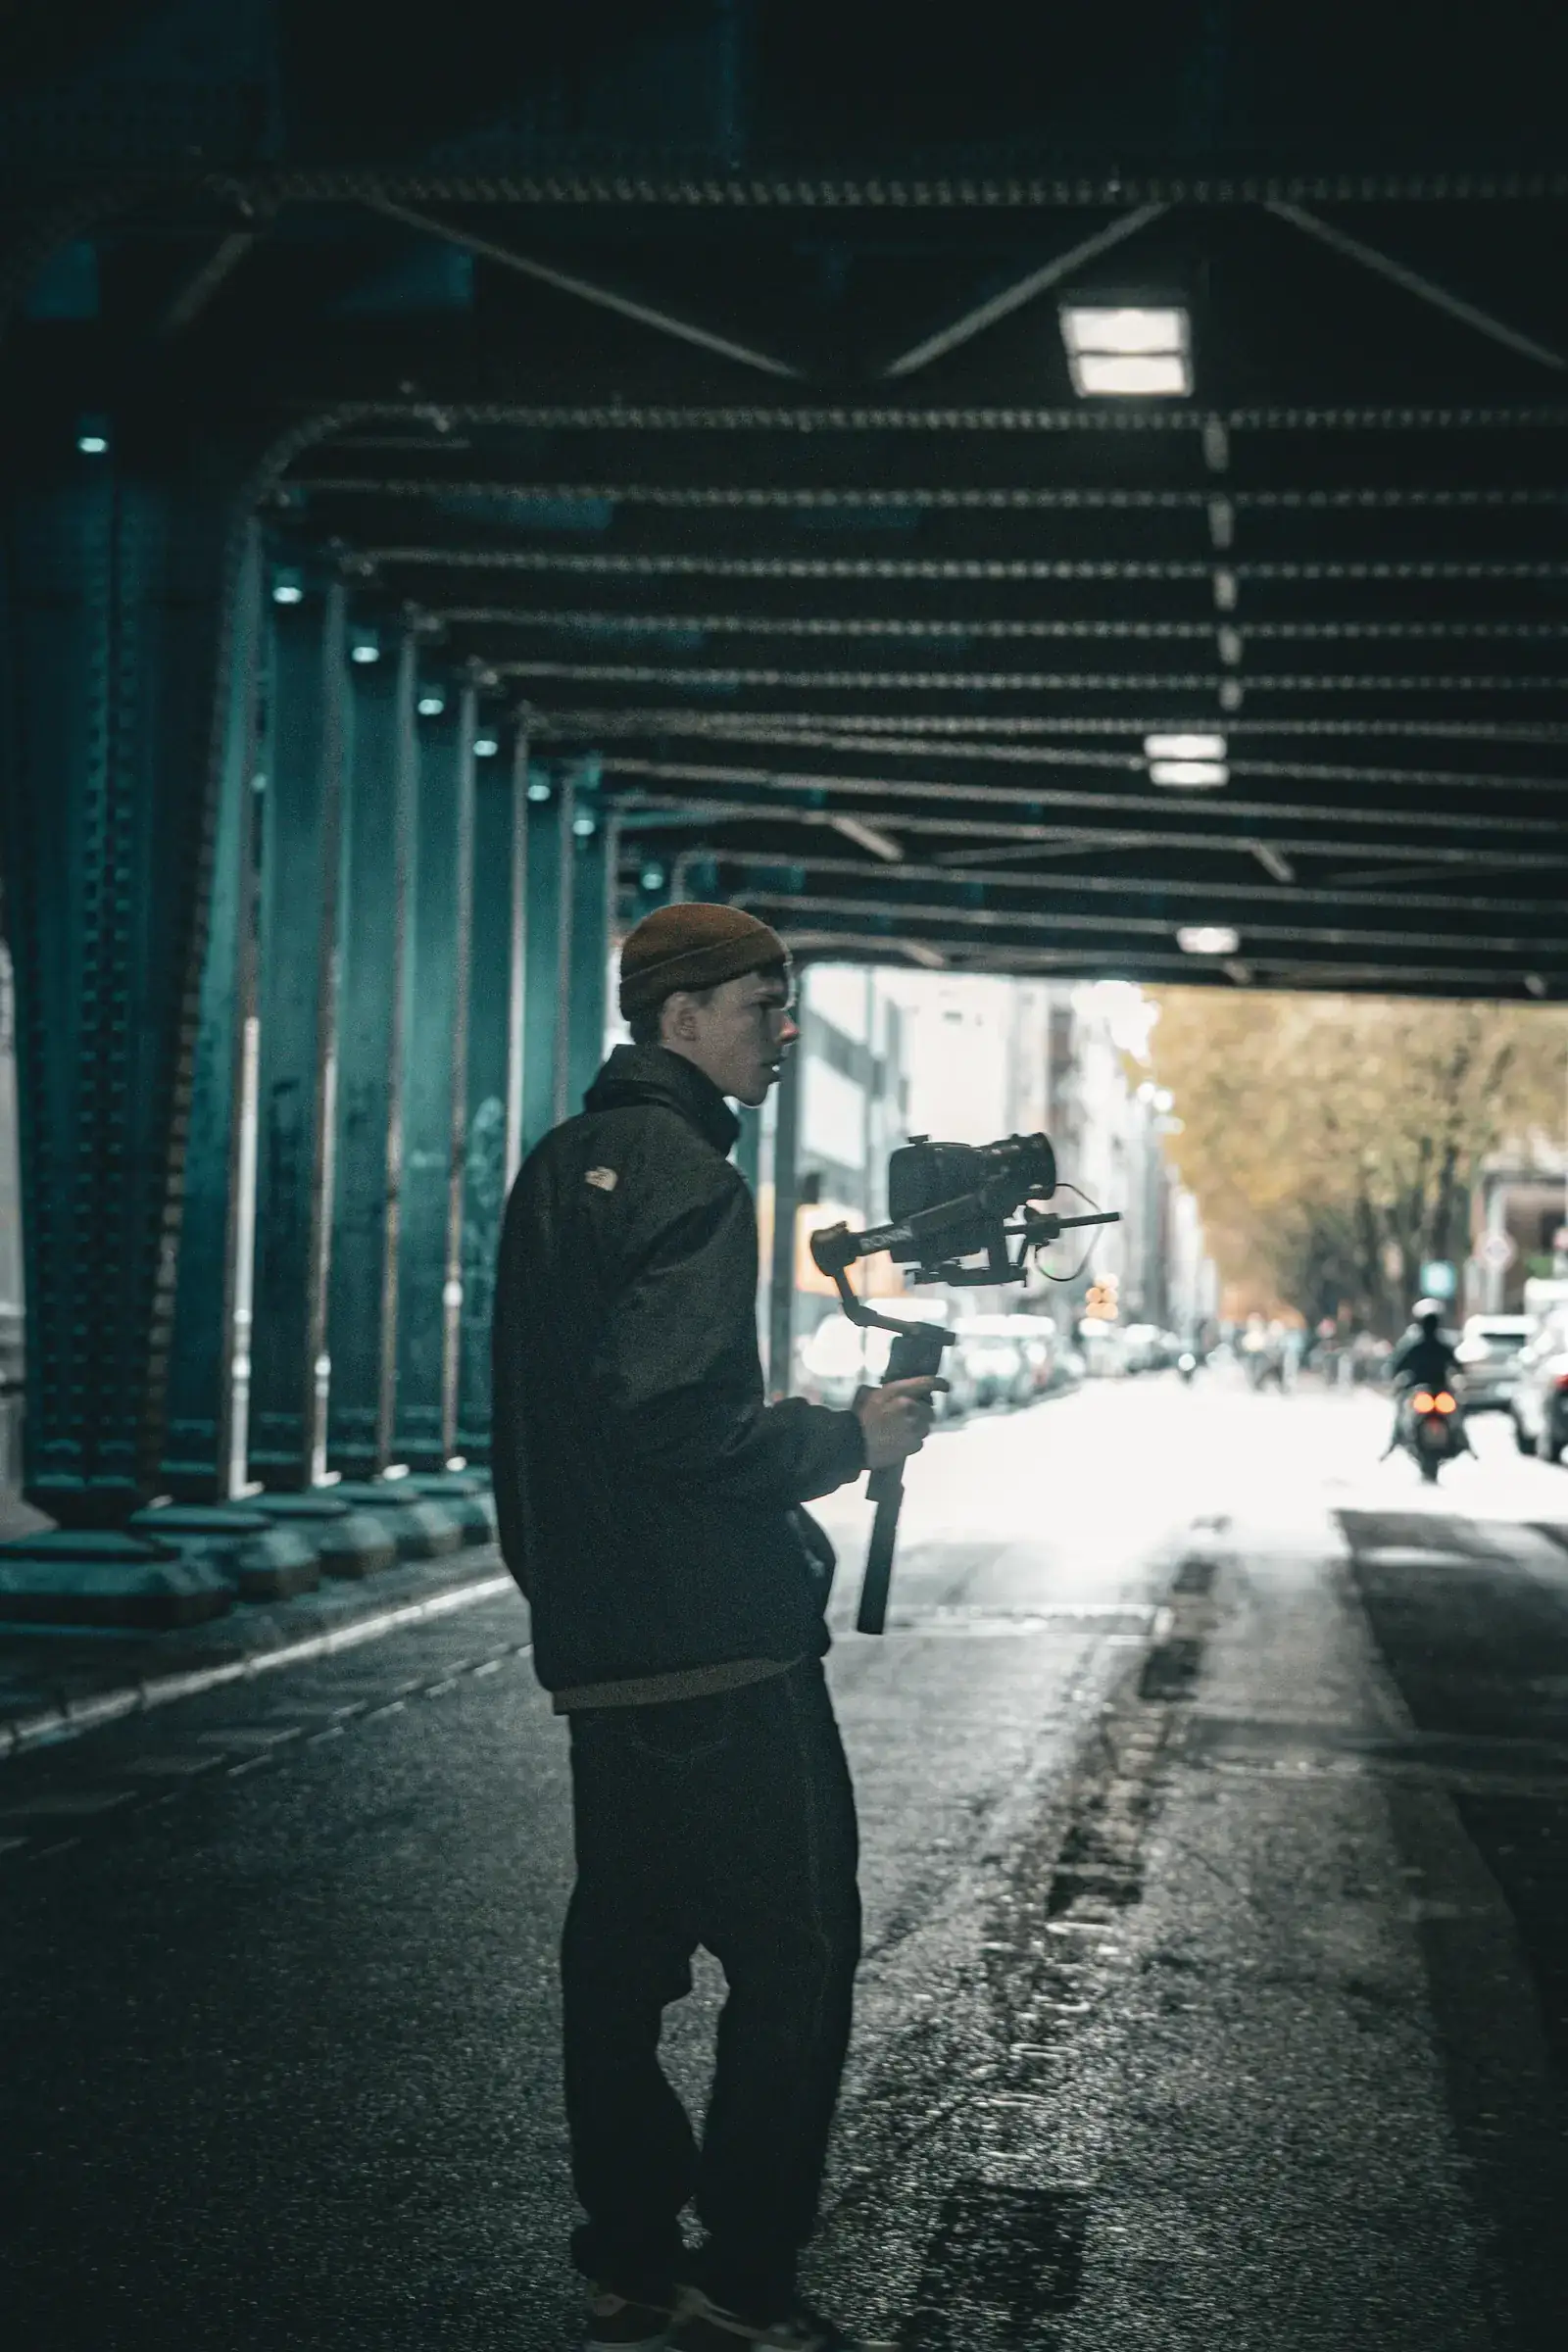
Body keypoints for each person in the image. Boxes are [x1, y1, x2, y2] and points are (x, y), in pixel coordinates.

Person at [491, 903, 943, 2352]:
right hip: (729, 1646)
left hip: (603, 1651)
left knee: (619, 1961)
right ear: (678, 1018)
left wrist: (567, 1597)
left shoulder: (556, 1170)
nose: (786, 1032)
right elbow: (680, 1419)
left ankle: (631, 2251)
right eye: (763, 1005)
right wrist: (848, 1439)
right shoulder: (690, 1175)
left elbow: (536, 1431)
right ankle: (744, 2272)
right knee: (797, 1952)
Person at [1382, 1298, 1461, 1455]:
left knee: (1457, 1411)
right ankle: (1393, 1441)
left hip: (1438, 1389)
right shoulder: (1417, 1344)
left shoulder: (1416, 1344)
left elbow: (1395, 1365)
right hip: (1420, 1390)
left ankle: (1463, 1441)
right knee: (1401, 1410)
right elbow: (1395, 1365)